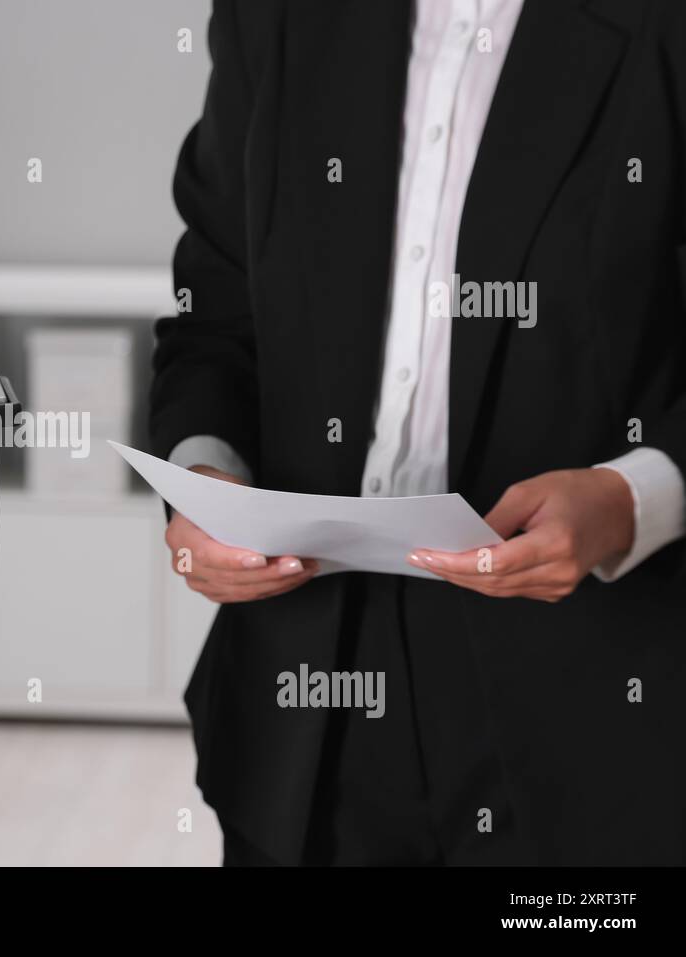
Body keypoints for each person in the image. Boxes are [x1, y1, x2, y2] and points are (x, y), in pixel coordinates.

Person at [150, 0, 686, 865]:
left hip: (595, 717)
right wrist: (206, 474)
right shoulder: (274, 18)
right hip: (302, 711)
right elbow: (213, 306)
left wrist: (635, 497)